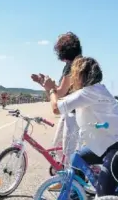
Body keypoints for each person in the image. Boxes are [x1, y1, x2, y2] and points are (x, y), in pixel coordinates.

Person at [41, 56, 118, 200]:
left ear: (81, 75)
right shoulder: (95, 90)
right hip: (114, 144)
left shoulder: (89, 93)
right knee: (78, 158)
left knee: (104, 196)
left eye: (74, 75)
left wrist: (51, 89)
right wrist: (49, 88)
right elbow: (64, 101)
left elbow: (56, 107)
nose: (72, 80)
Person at [31, 32, 82, 190]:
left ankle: (73, 190)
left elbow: (59, 93)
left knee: (68, 151)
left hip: (75, 113)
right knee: (59, 146)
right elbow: (58, 93)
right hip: (70, 111)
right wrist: (45, 85)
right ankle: (63, 180)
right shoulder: (72, 63)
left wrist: (49, 87)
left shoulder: (75, 65)